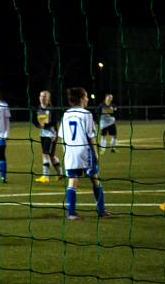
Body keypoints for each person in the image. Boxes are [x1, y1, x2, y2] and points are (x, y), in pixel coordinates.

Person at [58, 86, 111, 221]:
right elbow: (91, 136)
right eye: (86, 96)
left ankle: (71, 213)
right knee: (94, 178)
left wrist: (66, 152)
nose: (87, 99)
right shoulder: (86, 114)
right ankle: (101, 210)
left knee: (72, 180)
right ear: (81, 99)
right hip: (84, 151)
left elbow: (62, 137)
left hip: (70, 151)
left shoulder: (66, 114)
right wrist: (96, 153)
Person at [33, 90, 64, 183]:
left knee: (45, 153)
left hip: (51, 134)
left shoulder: (51, 109)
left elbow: (54, 122)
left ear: (48, 99)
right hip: (42, 134)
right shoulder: (37, 109)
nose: (42, 98)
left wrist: (45, 125)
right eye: (41, 96)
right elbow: (33, 119)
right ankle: (61, 174)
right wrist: (38, 125)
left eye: (45, 96)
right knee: (51, 155)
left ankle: (45, 176)